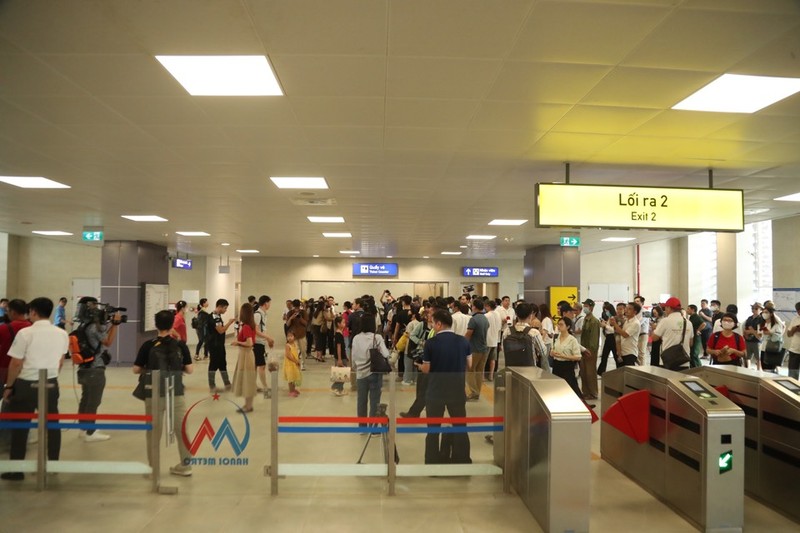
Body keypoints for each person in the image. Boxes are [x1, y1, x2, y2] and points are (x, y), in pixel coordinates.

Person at [2, 297, 69, 481]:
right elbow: (61, 360)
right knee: (53, 425)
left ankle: (17, 470)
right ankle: (52, 464)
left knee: (21, 427)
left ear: (32, 312)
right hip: (51, 383)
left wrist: (9, 386)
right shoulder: (61, 333)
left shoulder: (25, 333)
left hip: (26, 385)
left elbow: (15, 363)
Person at [132, 309, 193, 477]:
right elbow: (190, 370)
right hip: (176, 391)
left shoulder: (148, 345)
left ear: (156, 325)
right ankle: (186, 465)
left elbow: (136, 369)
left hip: (154, 392)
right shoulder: (180, 345)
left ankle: (154, 469)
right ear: (172, 324)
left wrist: (150, 370)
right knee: (182, 430)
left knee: (153, 432)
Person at [421, 309, 471, 464]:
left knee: (433, 428)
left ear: (439, 324)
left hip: (435, 391)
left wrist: (419, 366)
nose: (432, 326)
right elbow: (469, 365)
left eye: (433, 322)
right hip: (456, 390)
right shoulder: (463, 341)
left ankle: (432, 460)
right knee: (460, 425)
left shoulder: (431, 343)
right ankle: (462, 458)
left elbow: (427, 369)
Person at [74, 297, 121, 442]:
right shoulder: (93, 327)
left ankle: (83, 428)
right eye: (94, 306)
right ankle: (90, 432)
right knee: (93, 401)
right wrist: (116, 324)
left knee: (86, 399)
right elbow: (108, 342)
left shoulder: (83, 326)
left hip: (84, 368)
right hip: (95, 369)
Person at [352, 315, 390, 429]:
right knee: (375, 401)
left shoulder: (356, 338)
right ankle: (373, 428)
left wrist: (355, 368)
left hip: (360, 374)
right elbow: (386, 354)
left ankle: (362, 427)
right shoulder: (377, 337)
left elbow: (353, 356)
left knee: (361, 401)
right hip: (374, 373)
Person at [230, 303, 257, 412]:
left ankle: (248, 405)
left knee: (247, 379)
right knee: (248, 380)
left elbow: (249, 342)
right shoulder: (251, 325)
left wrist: (237, 342)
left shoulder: (246, 327)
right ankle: (248, 405)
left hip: (246, 354)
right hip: (247, 354)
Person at [651, 297, 692, 369]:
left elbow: (654, 338)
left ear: (669, 308)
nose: (665, 310)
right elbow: (690, 343)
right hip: (684, 361)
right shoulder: (688, 322)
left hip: (668, 361)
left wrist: (654, 329)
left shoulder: (665, 321)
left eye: (665, 308)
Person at [550, 317, 583, 401]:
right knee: (557, 388)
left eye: (561, 324)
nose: (559, 326)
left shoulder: (572, 340)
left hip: (567, 366)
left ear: (568, 327)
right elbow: (553, 349)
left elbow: (578, 356)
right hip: (557, 365)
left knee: (569, 387)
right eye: (558, 324)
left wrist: (563, 356)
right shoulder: (557, 337)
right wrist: (552, 353)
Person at [0, 299, 31, 386]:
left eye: (7, 311)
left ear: (13, 312)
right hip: (26, 370)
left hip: (5, 368)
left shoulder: (3, 328)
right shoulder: (32, 327)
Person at [207, 299, 235, 393]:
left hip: (219, 344)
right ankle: (212, 385)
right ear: (219, 307)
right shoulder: (215, 317)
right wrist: (229, 323)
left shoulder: (217, 316)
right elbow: (221, 330)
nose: (226, 310)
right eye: (225, 308)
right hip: (214, 345)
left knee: (223, 363)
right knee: (213, 364)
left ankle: (227, 383)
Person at [465, 299, 489, 401]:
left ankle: (474, 392)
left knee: (470, 371)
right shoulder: (485, 318)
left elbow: (468, 335)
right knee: (479, 371)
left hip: (474, 349)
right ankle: (477, 392)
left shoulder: (473, 319)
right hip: (484, 349)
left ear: (474, 307)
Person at [253, 295, 275, 395]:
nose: (270, 305)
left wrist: (267, 338)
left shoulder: (263, 314)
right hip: (256, 343)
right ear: (265, 303)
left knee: (256, 365)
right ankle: (265, 386)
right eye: (269, 303)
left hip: (259, 343)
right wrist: (268, 338)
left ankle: (253, 385)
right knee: (261, 366)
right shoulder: (258, 314)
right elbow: (256, 331)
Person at [578, 299, 600, 400]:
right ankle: (585, 392)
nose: (584, 308)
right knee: (583, 372)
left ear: (591, 307)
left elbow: (594, 338)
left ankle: (593, 393)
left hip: (590, 350)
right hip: (583, 349)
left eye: (586, 306)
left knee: (590, 373)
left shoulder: (594, 321)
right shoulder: (586, 319)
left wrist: (590, 350)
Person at [609, 302, 641, 367]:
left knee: (628, 375)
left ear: (635, 312)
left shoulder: (635, 323)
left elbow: (625, 334)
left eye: (629, 309)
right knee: (621, 374)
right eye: (626, 308)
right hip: (623, 352)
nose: (626, 310)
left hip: (630, 353)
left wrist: (615, 324)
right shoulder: (627, 321)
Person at [760, 306, 787, 372]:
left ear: (771, 314)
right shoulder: (763, 324)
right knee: (764, 368)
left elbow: (778, 336)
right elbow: (760, 336)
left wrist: (770, 333)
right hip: (763, 348)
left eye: (766, 312)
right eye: (763, 312)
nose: (764, 314)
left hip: (772, 348)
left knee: (770, 369)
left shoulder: (776, 325)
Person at [286, 299, 309, 371]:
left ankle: (303, 364)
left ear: (299, 306)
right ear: (292, 306)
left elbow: (306, 324)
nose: (296, 309)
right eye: (295, 307)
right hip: (293, 335)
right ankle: (295, 363)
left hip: (302, 334)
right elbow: (287, 324)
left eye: (297, 307)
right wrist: (291, 318)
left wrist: (300, 318)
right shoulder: (290, 313)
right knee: (293, 350)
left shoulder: (303, 312)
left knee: (303, 350)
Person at [742, 303, 765, 370]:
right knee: (747, 357)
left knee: (758, 357)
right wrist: (748, 333)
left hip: (757, 341)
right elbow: (746, 329)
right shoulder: (749, 318)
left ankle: (759, 370)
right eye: (752, 308)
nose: (753, 310)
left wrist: (752, 331)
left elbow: (759, 333)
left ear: (761, 310)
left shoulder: (761, 319)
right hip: (748, 340)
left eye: (756, 308)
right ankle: (748, 369)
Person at [598, 302, 618, 376]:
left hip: (613, 337)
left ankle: (619, 370)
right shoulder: (609, 318)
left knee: (615, 355)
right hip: (608, 337)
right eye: (605, 311)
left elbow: (613, 330)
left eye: (607, 311)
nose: (606, 312)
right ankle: (601, 371)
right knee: (604, 355)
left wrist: (605, 326)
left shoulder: (614, 318)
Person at [484, 300, 502, 381]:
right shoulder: (498, 314)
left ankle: (482, 376)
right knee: (493, 359)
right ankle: (491, 375)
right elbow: (499, 327)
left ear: (488, 306)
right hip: (495, 340)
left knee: (484, 360)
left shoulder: (486, 316)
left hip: (487, 340)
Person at [331, 316, 348, 396]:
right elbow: (338, 347)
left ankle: (340, 389)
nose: (344, 324)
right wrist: (340, 359)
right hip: (340, 357)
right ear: (338, 324)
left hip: (343, 356)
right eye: (343, 322)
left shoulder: (340, 333)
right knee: (341, 374)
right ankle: (336, 387)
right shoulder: (338, 334)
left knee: (342, 373)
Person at [283, 331, 302, 397]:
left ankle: (293, 389)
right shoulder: (287, 346)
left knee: (294, 377)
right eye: (288, 336)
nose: (290, 338)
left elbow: (297, 354)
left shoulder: (295, 344)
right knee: (290, 378)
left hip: (295, 364)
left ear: (294, 337)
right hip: (289, 364)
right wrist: (295, 361)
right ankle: (291, 391)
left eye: (291, 336)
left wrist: (298, 361)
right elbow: (288, 355)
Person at [785, 302, 800, 379]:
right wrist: (794, 329)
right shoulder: (795, 319)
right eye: (797, 311)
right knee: (792, 375)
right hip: (794, 350)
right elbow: (788, 334)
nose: (799, 312)